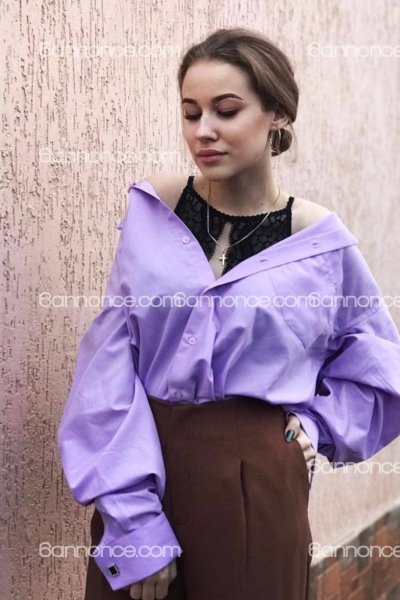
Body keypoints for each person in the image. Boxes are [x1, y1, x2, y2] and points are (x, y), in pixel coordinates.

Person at [57, 27, 400, 600]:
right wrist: (135, 524)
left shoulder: (320, 242)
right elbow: (107, 365)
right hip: (140, 470)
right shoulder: (154, 212)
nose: (203, 131)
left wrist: (321, 426)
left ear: (277, 115)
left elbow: (379, 365)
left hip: (261, 481)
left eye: (227, 110)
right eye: (190, 113)